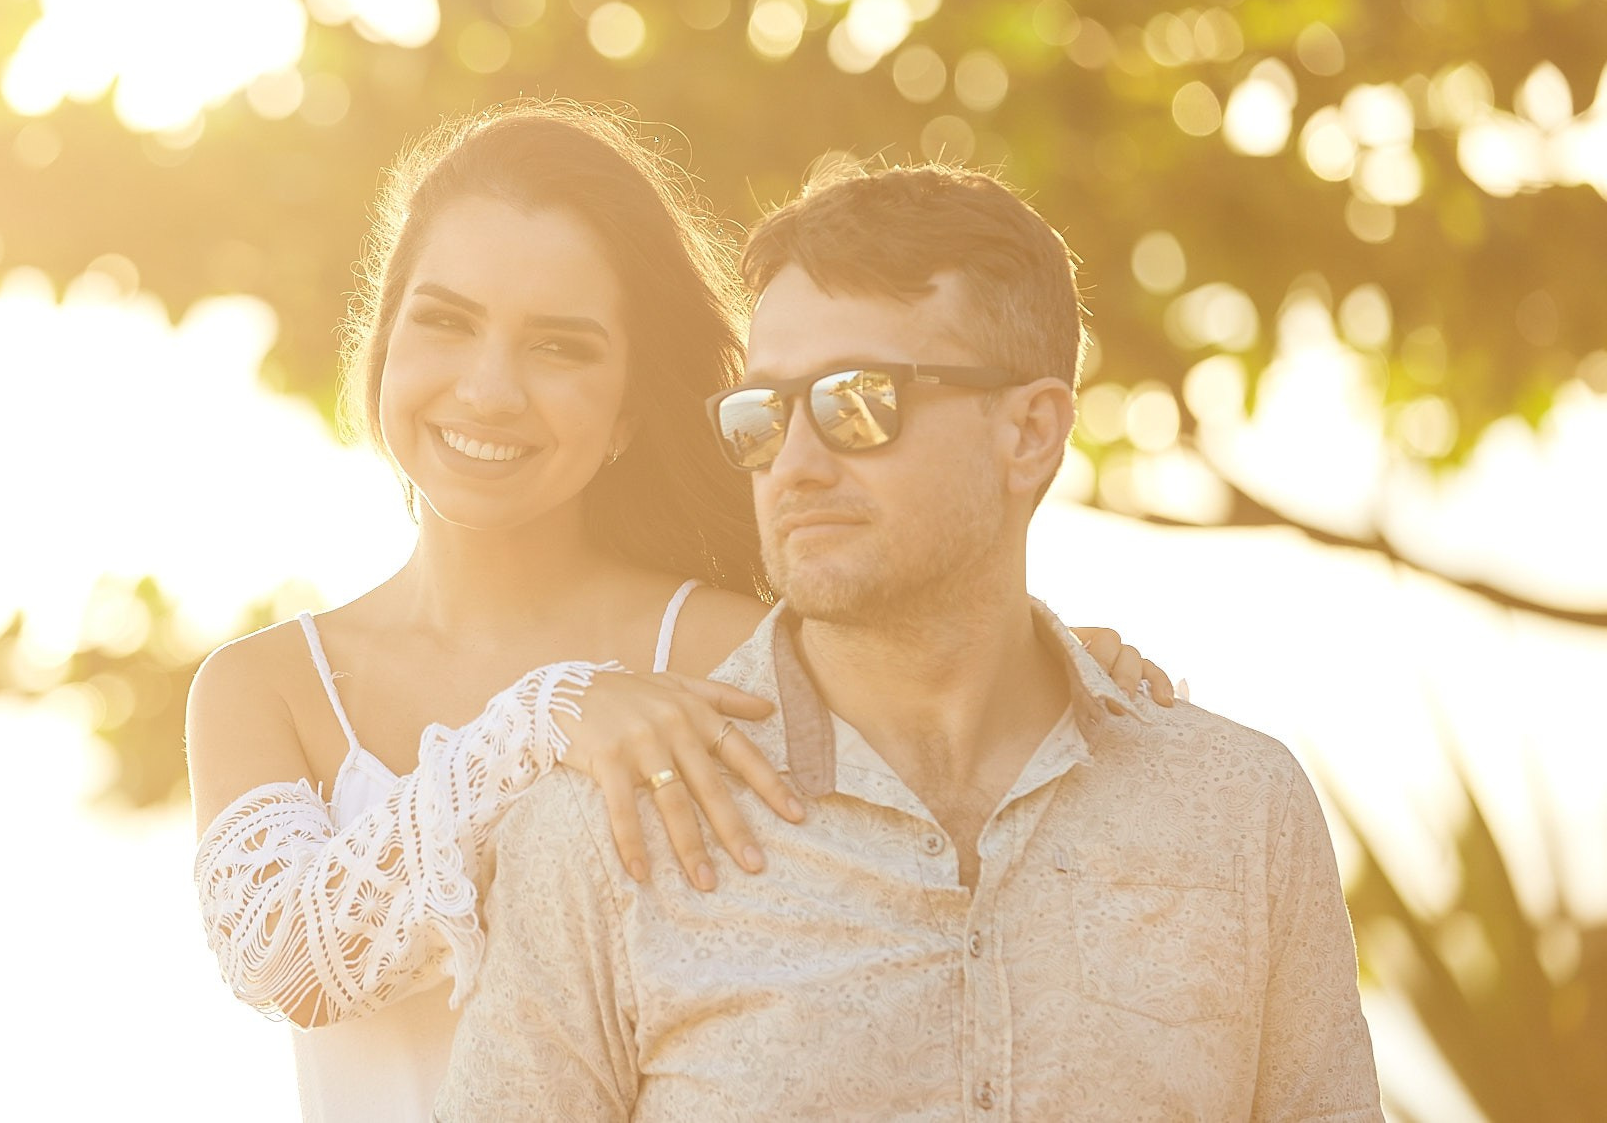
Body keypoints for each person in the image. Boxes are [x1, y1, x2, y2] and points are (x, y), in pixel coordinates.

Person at [187, 105, 1175, 1123]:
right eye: (443, 320)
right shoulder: (265, 685)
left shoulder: (726, 650)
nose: (487, 388)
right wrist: (540, 720)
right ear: (382, 340)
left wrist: (1047, 665)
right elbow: (285, 962)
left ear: (627, 410)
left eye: (558, 348)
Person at [437, 161, 1384, 1120]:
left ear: (1031, 431)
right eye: (763, 414)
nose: (794, 465)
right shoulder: (604, 835)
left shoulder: (1239, 814)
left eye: (857, 401)